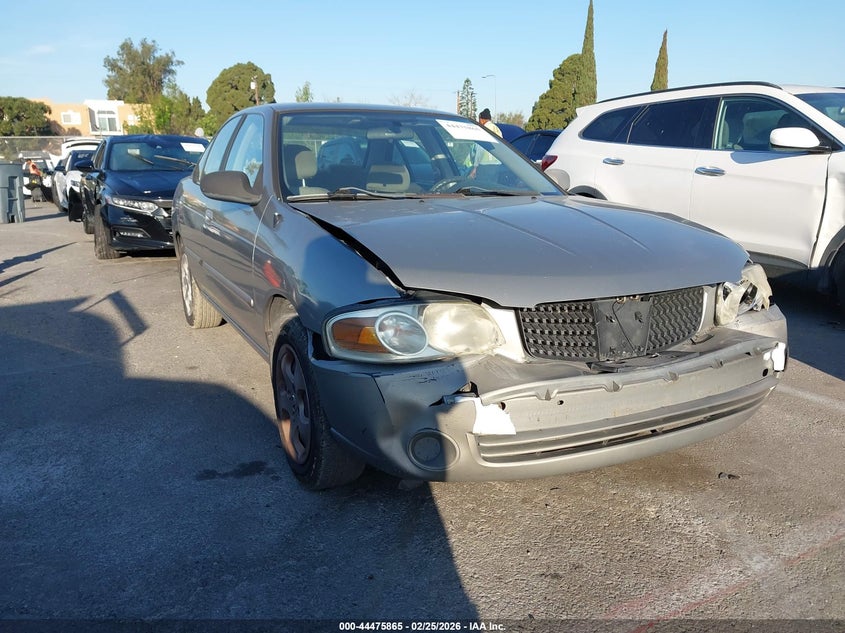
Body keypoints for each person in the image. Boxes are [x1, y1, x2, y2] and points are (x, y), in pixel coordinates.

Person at [469, 108, 502, 179]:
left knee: (483, 184)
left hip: (484, 165)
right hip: (497, 164)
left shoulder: (483, 129)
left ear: (481, 119)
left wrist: (475, 167)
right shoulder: (497, 129)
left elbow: (480, 149)